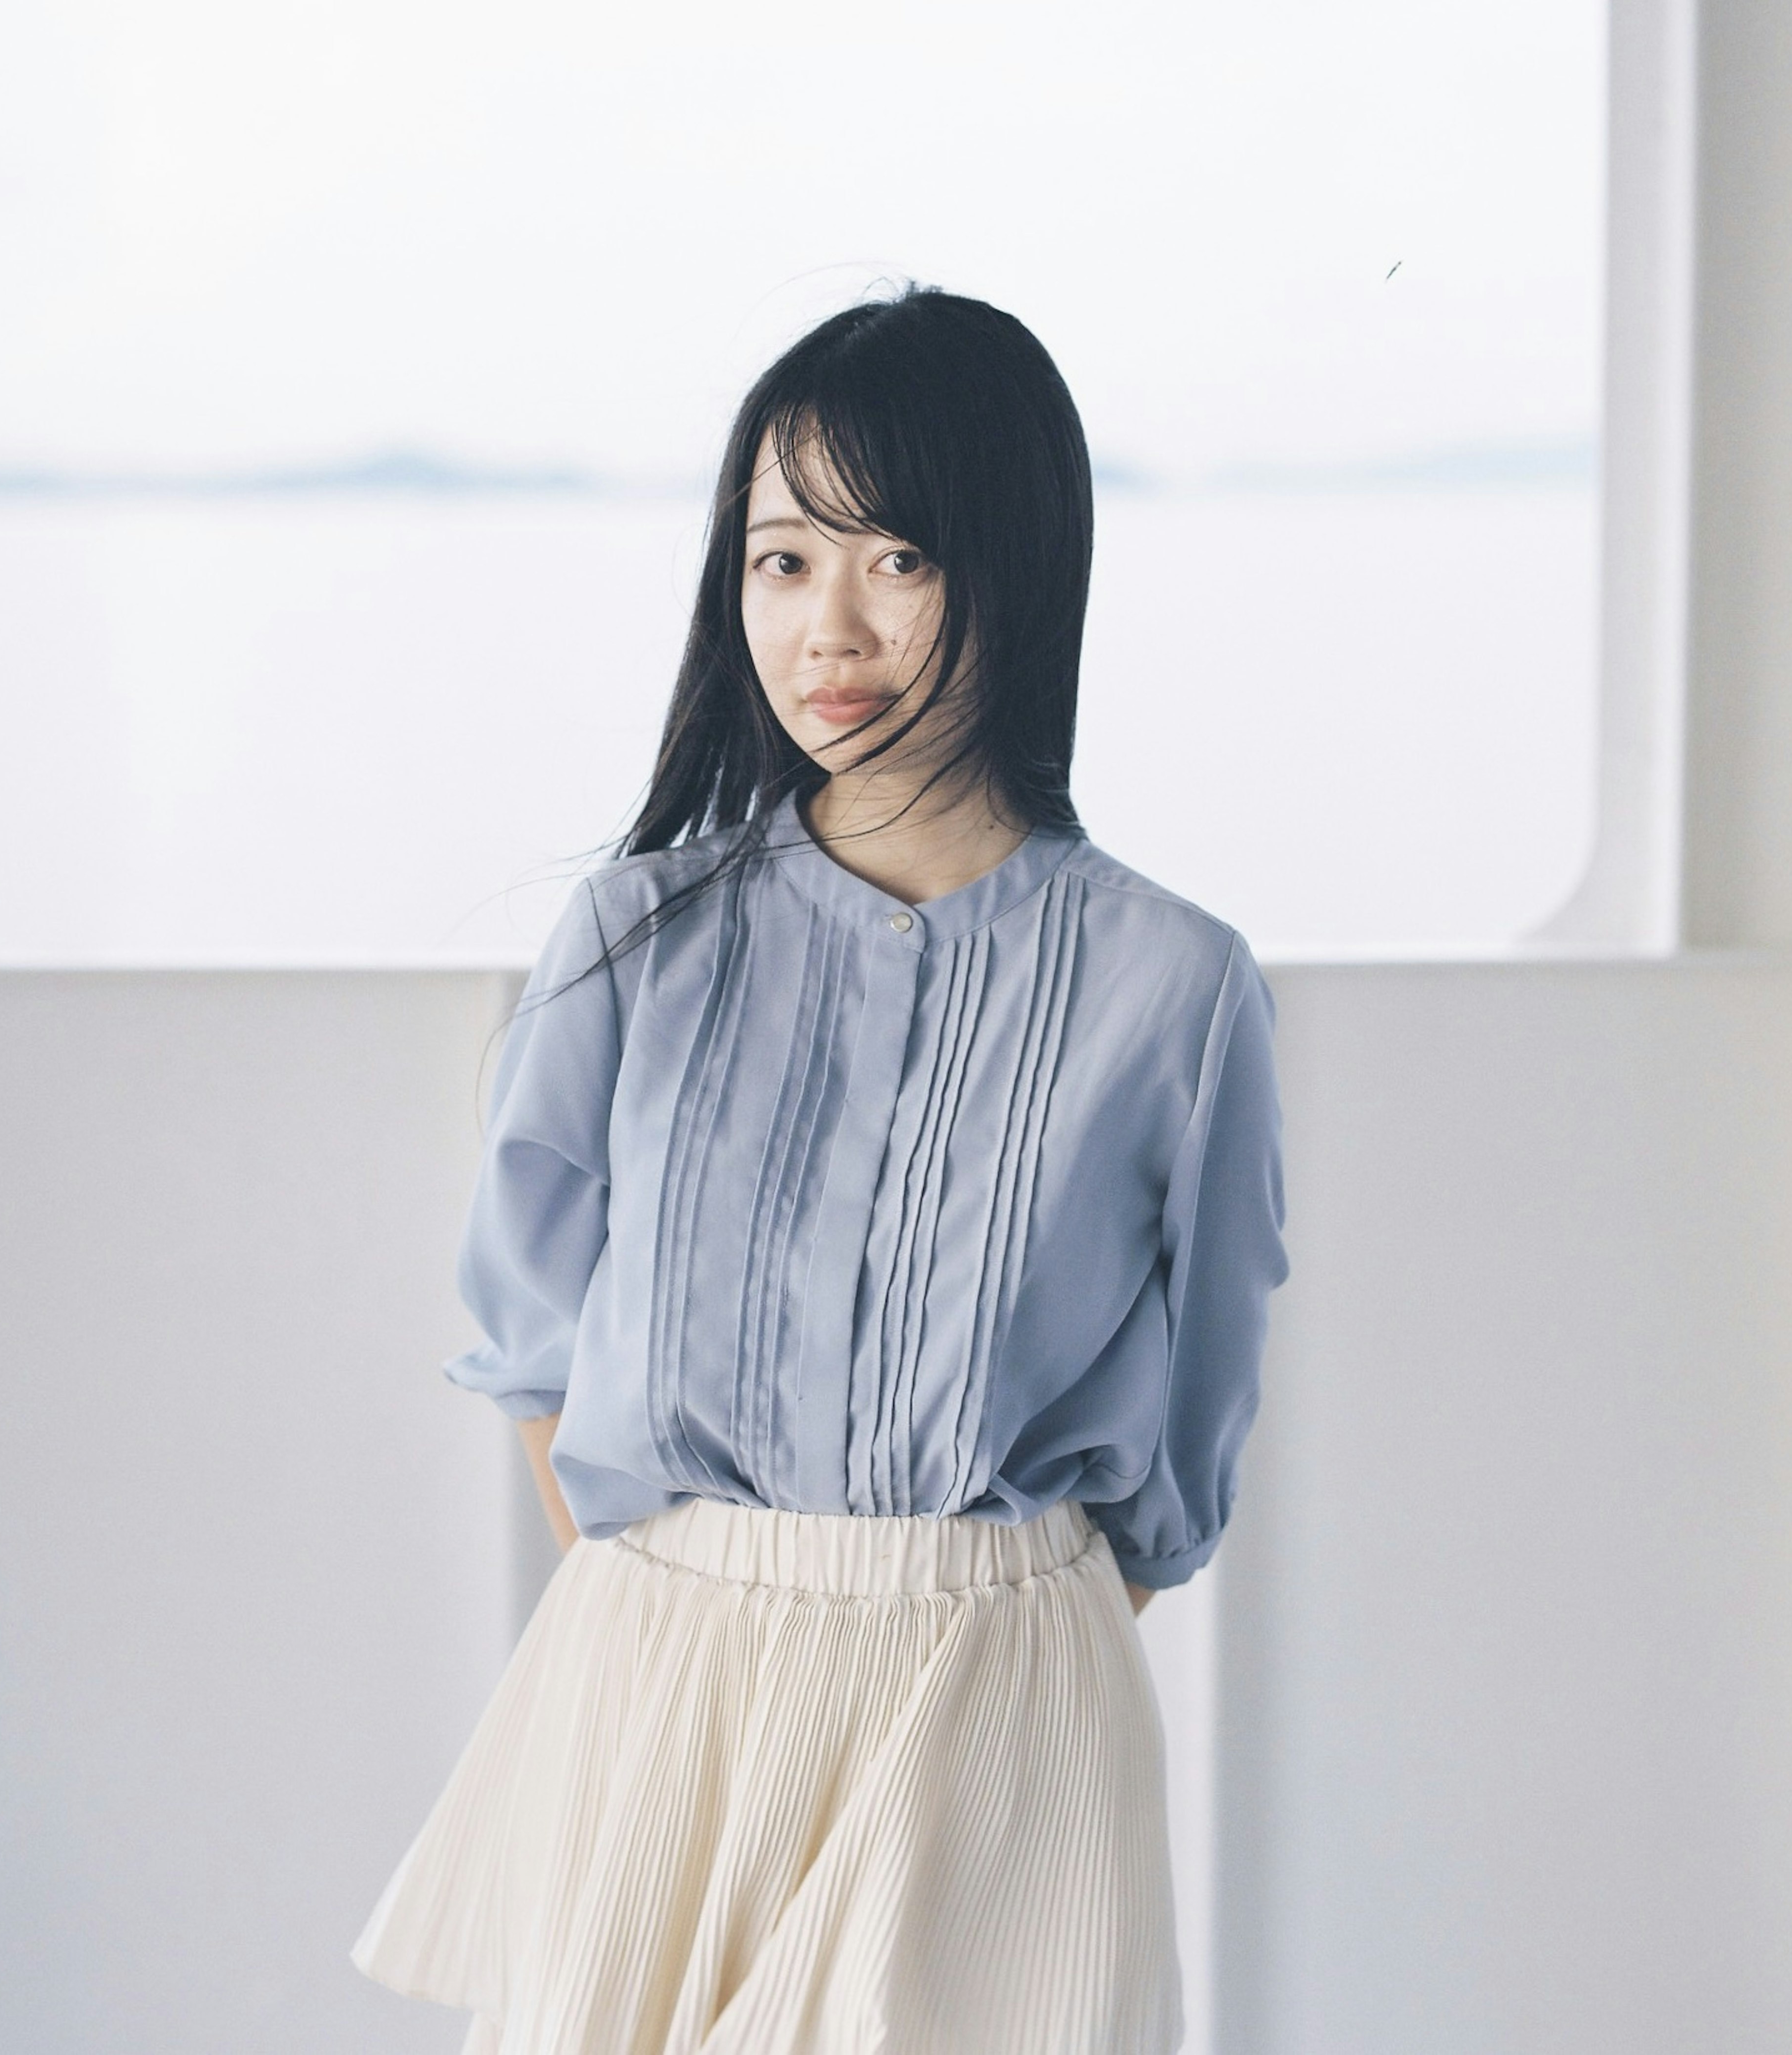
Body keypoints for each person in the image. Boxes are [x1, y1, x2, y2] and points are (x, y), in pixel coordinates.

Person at [351, 286, 1289, 2055]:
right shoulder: (635, 936)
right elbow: (536, 1345)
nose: (828, 626)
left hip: (1002, 1691)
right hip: (667, 1683)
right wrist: (723, 1587)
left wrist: (968, 1611)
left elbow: (1188, 1443)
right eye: (782, 562)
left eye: (899, 557)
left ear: (1016, 569)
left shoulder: (1174, 982)